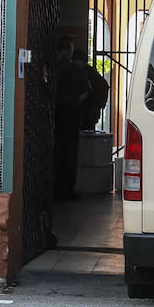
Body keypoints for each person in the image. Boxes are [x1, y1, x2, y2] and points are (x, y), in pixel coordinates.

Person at [53, 36, 91, 200]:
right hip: (56, 115)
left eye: (68, 47)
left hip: (72, 116)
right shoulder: (54, 69)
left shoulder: (77, 70)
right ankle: (55, 189)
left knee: (70, 154)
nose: (65, 51)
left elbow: (87, 90)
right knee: (56, 153)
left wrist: (77, 100)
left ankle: (67, 190)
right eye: (63, 47)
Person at [72, 48, 110, 130]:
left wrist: (96, 105)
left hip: (88, 111)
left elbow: (103, 86)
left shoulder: (88, 72)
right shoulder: (85, 71)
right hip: (87, 111)